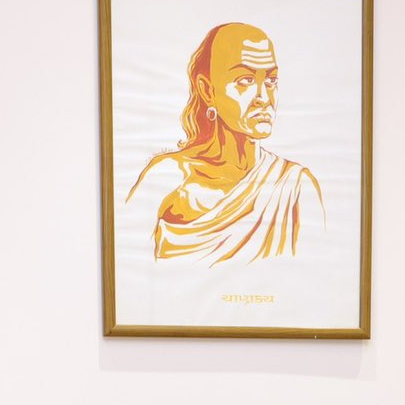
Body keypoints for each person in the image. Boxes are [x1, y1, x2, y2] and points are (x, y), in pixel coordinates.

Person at [125, 22, 325, 265]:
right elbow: (125, 269)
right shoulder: (169, 176)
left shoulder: (295, 185)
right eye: (245, 80)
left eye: (271, 80)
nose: (264, 98)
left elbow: (318, 279)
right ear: (207, 91)